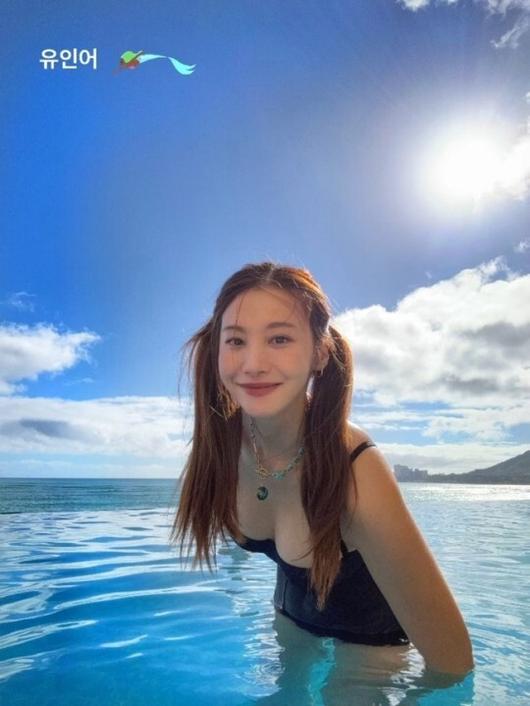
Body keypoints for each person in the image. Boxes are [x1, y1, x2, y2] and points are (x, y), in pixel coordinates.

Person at [170, 261, 474, 677]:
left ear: (320, 353)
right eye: (236, 340)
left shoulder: (357, 471)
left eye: (279, 338)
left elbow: (453, 664)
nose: (253, 363)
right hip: (289, 621)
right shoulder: (221, 447)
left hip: (369, 644)